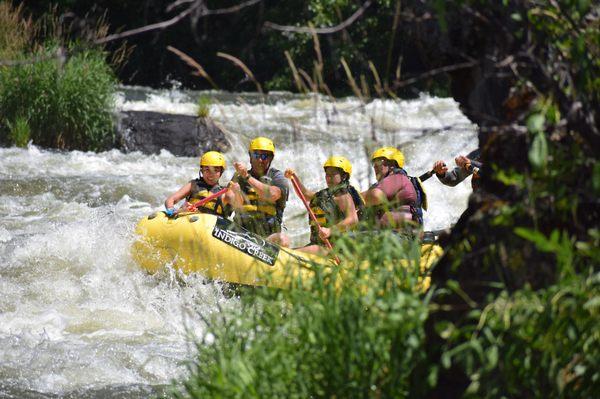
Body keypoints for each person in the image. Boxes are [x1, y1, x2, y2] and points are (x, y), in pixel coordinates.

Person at [285, 156, 363, 255]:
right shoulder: (326, 194)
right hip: (321, 245)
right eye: (327, 174)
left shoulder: (343, 196)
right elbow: (305, 195)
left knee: (295, 252)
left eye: (333, 174)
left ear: (344, 176)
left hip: (338, 249)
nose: (329, 178)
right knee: (290, 250)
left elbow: (353, 219)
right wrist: (294, 178)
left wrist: (330, 230)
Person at [230, 137, 289, 246]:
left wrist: (247, 177)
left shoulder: (277, 177)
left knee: (282, 239)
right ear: (250, 157)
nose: (260, 160)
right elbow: (228, 203)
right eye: (256, 155)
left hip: (267, 238)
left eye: (264, 156)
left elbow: (272, 195)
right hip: (240, 234)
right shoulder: (238, 177)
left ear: (271, 158)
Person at [363, 146, 427, 228]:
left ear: (392, 165)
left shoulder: (398, 178)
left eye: (379, 162)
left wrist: (352, 199)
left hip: (399, 236)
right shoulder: (384, 184)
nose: (375, 167)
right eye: (374, 164)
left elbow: (376, 196)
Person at [164, 151, 240, 218]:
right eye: (207, 170)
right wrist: (172, 211)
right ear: (202, 170)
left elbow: (238, 205)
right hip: (189, 223)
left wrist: (236, 192)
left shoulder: (225, 193)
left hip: (210, 229)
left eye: (216, 170)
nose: (211, 174)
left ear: (221, 173)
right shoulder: (193, 185)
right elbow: (171, 200)